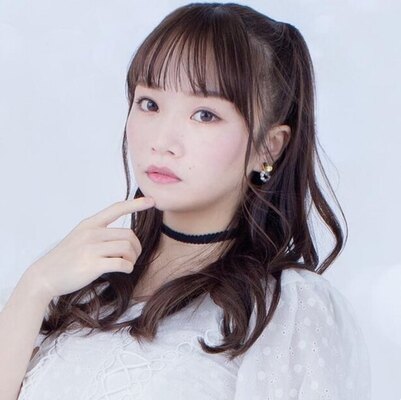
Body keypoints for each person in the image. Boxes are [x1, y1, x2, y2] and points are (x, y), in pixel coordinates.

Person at [0, 2, 371, 399]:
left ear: (269, 146)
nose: (162, 141)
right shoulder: (83, 283)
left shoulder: (286, 310)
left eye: (205, 115)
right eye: (150, 104)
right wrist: (35, 287)